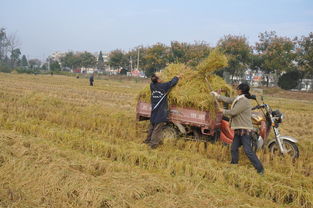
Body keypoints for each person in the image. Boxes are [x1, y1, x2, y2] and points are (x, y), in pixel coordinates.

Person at [211, 83, 264, 175]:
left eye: (237, 89)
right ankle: (234, 164)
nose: (236, 90)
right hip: (239, 129)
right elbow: (229, 100)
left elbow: (234, 112)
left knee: (248, 151)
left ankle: (260, 169)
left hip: (244, 129)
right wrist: (217, 96)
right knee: (233, 148)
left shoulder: (244, 101)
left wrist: (222, 111)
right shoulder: (239, 98)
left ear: (241, 90)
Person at [143, 74, 180, 149]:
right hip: (161, 111)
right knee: (157, 129)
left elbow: (165, 84)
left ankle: (147, 140)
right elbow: (171, 83)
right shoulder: (162, 86)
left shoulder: (152, 86)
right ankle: (153, 144)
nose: (162, 78)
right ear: (158, 80)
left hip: (154, 110)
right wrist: (177, 77)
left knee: (152, 126)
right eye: (160, 78)